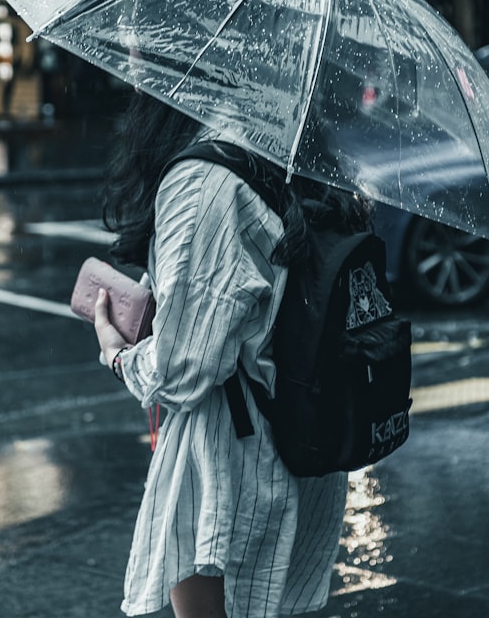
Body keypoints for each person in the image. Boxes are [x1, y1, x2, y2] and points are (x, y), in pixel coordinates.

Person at [91, 91, 370, 618]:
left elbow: (180, 372)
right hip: (297, 435)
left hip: (227, 460)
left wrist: (117, 353)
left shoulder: (205, 179)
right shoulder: (284, 139)